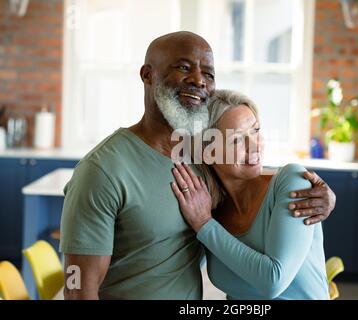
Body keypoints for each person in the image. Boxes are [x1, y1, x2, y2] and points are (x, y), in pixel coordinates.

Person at [60, 31, 336, 300]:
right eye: (183, 67)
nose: (199, 81)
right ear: (147, 74)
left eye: (209, 74)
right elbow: (78, 290)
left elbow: (255, 182)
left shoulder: (201, 164)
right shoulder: (101, 170)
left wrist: (323, 197)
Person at [171, 90, 329, 299]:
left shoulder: (292, 180)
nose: (255, 146)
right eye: (236, 139)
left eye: (255, 130)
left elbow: (273, 280)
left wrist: (204, 225)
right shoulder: (208, 206)